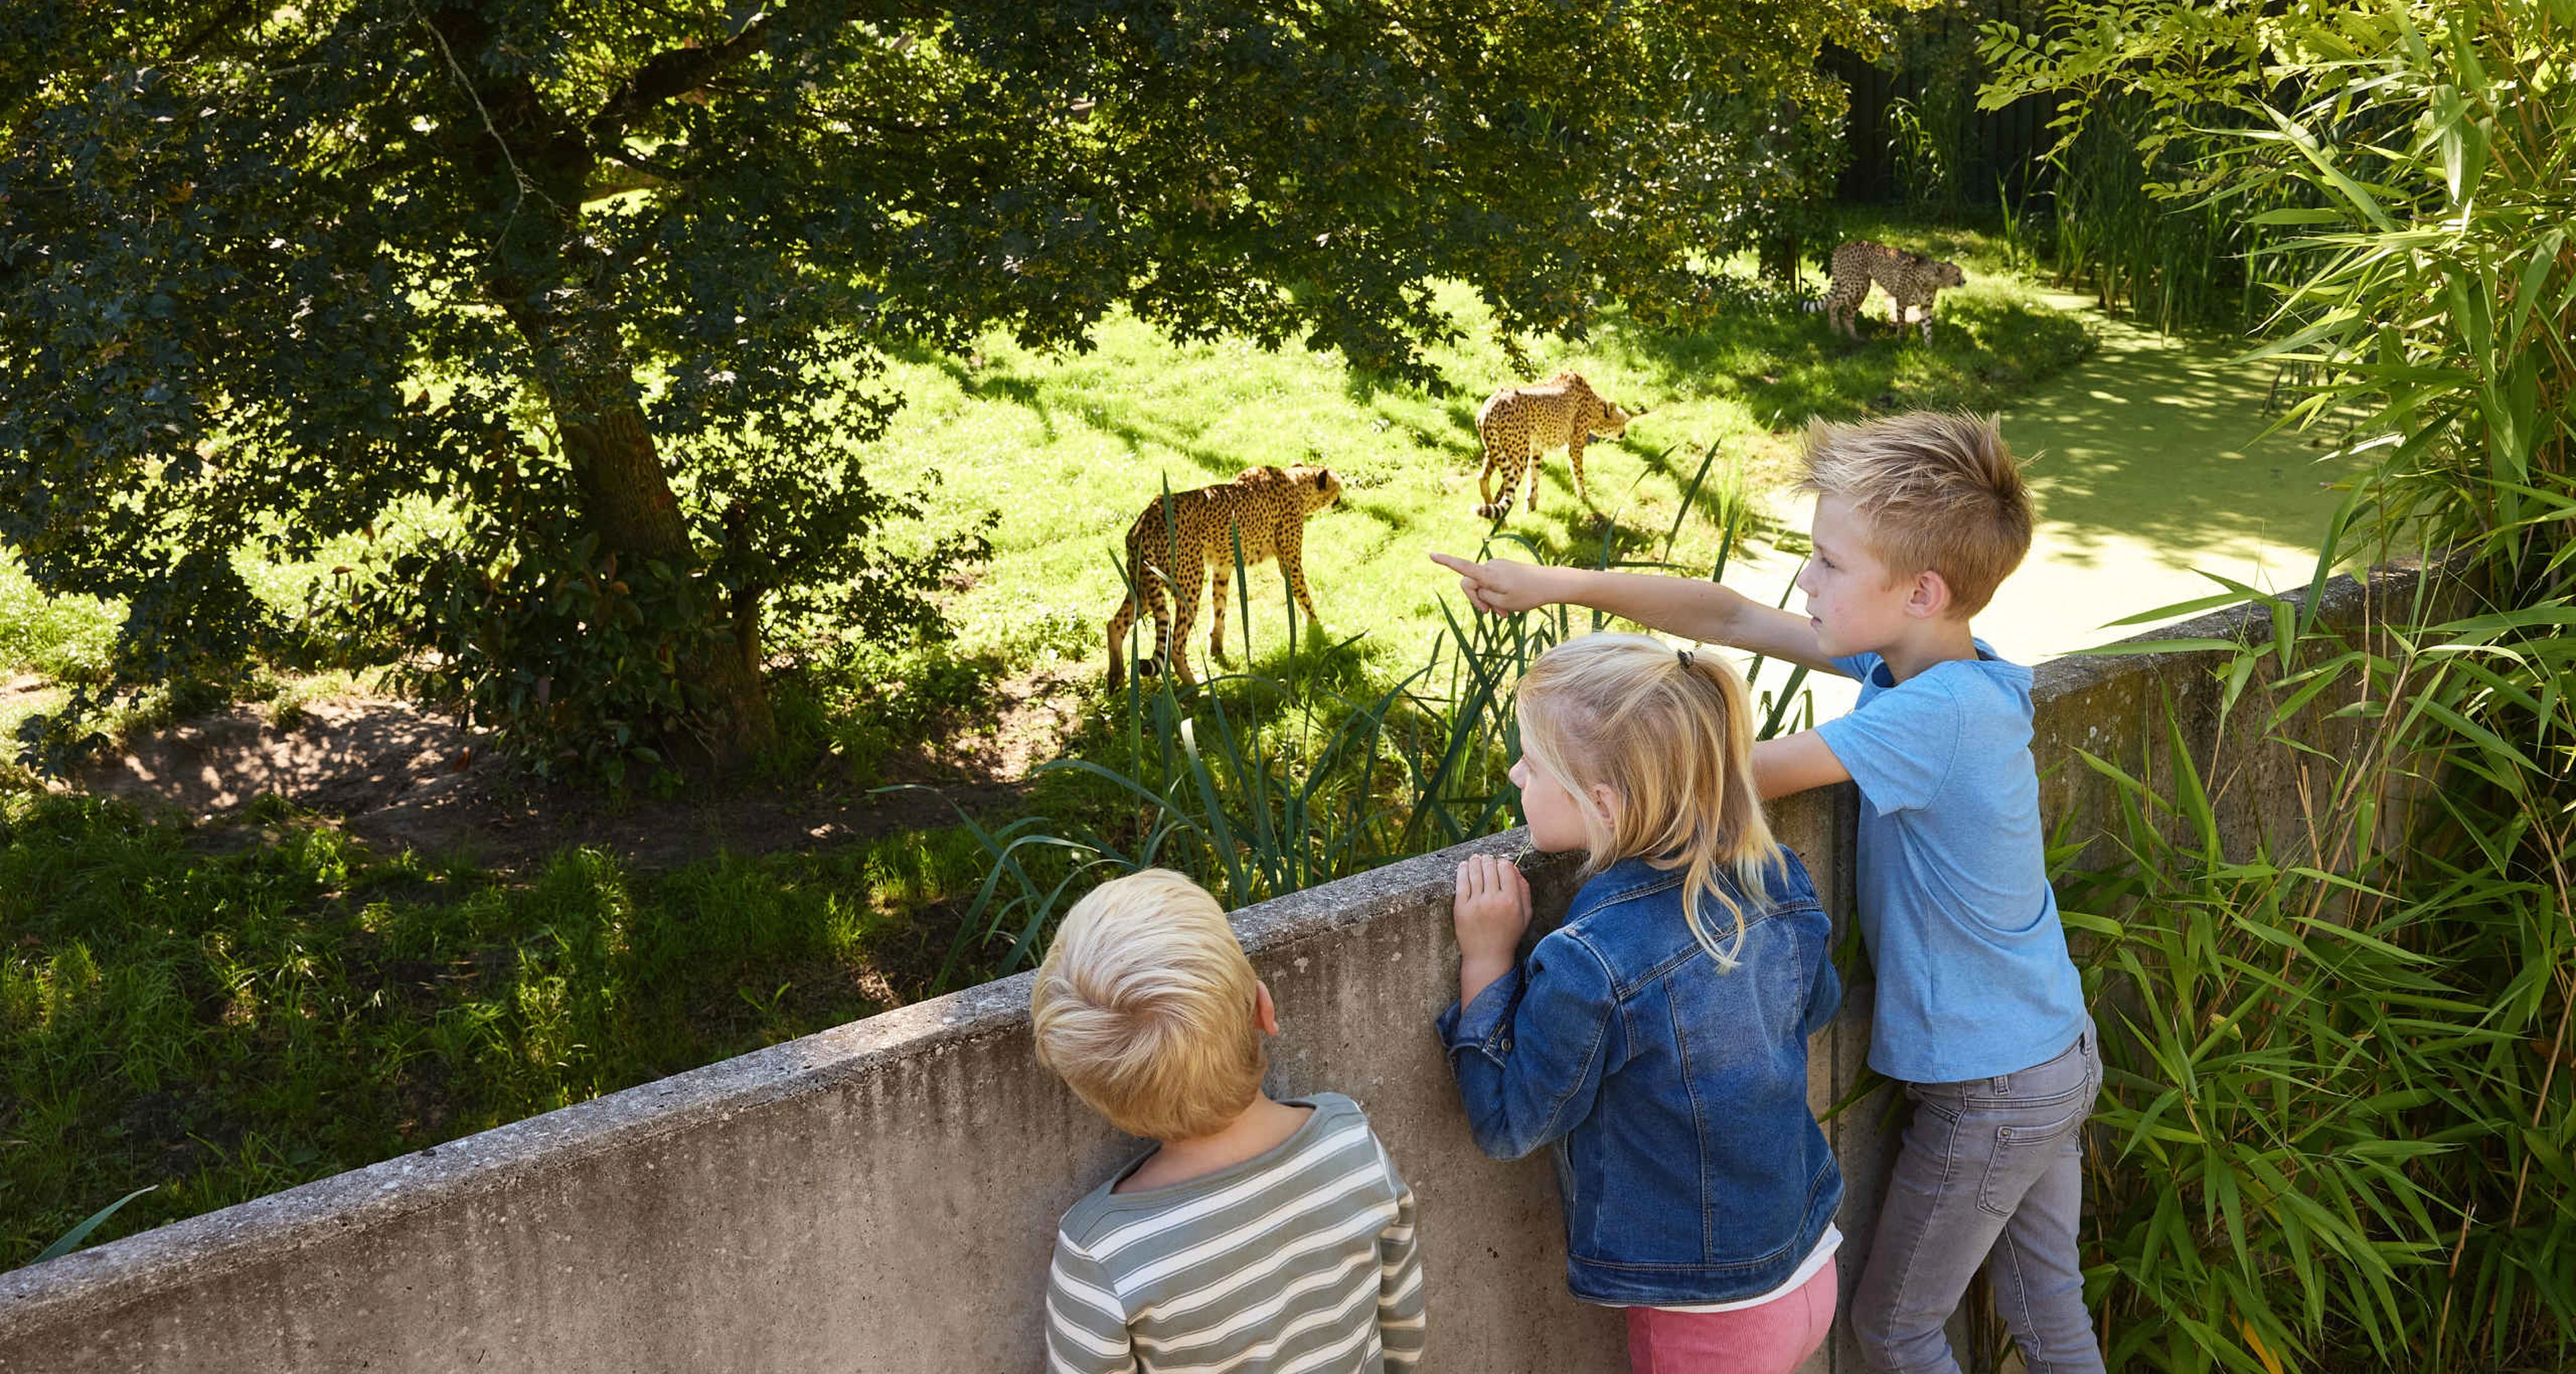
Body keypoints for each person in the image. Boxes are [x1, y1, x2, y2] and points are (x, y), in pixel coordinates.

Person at [1430, 411, 2104, 1374]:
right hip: (2046, 1049)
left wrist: (1584, 793)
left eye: (1827, 563)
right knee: (2048, 1317)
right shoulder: (1919, 663)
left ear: (1921, 590)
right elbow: (1729, 617)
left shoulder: (1937, 715)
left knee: (1900, 1331)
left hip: (1991, 1086)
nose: (1804, 581)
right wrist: (1560, 586)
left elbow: (1704, 776)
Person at [1438, 632, 1843, 1374]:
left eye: (1533, 761)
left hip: (1709, 1316)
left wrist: (1488, 959)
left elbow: (1508, 1124)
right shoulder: (1775, 873)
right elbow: (1815, 1004)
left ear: (1602, 801)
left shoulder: (1590, 959)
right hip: (1810, 1258)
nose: (1514, 770)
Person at [1031, 869, 1426, 1373]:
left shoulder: (1101, 1255)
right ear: (1264, 1007)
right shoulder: (1349, 1144)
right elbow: (1403, 1328)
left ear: (1104, 1102)